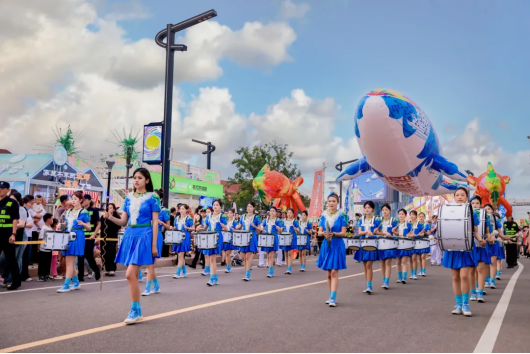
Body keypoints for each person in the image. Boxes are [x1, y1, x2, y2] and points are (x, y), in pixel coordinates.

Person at [110, 168, 160, 324]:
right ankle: (137, 310)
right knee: (131, 274)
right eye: (134, 178)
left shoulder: (153, 198)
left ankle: (135, 310)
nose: (136, 180)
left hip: (144, 235)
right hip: (130, 235)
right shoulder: (129, 197)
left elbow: (155, 223)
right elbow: (123, 221)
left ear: (147, 180)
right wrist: (110, 217)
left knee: (130, 274)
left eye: (139, 177)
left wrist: (153, 244)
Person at [441, 187, 484, 317]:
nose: (460, 197)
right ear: (454, 197)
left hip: (466, 247)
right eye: (457, 195)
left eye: (463, 195)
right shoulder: (449, 211)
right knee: (455, 277)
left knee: (464, 275)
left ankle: (466, 304)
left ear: (467, 197)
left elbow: (475, 230)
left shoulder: (472, 212)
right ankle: (458, 304)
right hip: (453, 247)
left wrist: (480, 239)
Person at [316, 193, 347, 307]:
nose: (331, 203)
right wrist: (324, 233)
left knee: (334, 272)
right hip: (326, 245)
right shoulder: (323, 216)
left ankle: (333, 297)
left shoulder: (342, 215)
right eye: (329, 201)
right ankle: (330, 295)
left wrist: (334, 233)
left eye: (333, 201)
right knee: (329, 273)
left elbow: (344, 233)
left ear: (337, 202)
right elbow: (319, 232)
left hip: (337, 245)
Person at [57, 191, 91, 293]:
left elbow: (89, 228)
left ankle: (67, 284)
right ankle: (75, 282)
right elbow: (65, 224)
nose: (73, 200)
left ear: (81, 200)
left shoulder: (84, 212)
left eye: (75, 199)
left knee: (69, 260)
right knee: (69, 260)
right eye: (72, 198)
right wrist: (60, 226)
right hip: (67, 235)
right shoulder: (68, 211)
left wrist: (83, 224)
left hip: (77, 235)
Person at [139, 189, 168, 296]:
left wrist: (160, 222)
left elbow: (169, 226)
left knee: (151, 263)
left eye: (155, 197)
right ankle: (156, 286)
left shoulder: (164, 211)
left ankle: (147, 288)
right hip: (147, 234)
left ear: (160, 199)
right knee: (149, 264)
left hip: (157, 235)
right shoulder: (147, 208)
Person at [199, 199, 227, 287]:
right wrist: (200, 228)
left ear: (220, 207)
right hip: (209, 236)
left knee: (212, 258)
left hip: (217, 236)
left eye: (217, 205)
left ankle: (212, 278)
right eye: (214, 205)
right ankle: (215, 277)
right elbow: (205, 227)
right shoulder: (209, 216)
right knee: (211, 258)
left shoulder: (223, 216)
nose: (215, 206)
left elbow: (226, 228)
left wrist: (224, 226)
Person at [469, 196, 492, 303]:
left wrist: (489, 238)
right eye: (472, 203)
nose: (475, 205)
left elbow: (487, 232)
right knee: (472, 270)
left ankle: (480, 293)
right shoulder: (467, 214)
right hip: (470, 245)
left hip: (481, 245)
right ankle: (473, 292)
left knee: (481, 269)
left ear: (481, 204)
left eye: (477, 203)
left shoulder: (485, 216)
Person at [356, 201, 381, 294]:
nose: (367, 209)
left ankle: (369, 286)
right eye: (365, 207)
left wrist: (375, 232)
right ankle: (367, 285)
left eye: (369, 207)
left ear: (373, 209)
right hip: (363, 244)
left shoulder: (376, 220)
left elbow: (380, 232)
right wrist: (367, 232)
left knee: (368, 265)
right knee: (365, 265)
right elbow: (359, 232)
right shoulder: (360, 220)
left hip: (372, 244)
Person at [0, 182, 21, 291]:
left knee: (11, 259)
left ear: (8, 189)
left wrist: (13, 234)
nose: (0, 190)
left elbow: (15, 219)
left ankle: (16, 282)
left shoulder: (12, 202)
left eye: (3, 188)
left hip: (7, 234)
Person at [78, 195, 101, 282]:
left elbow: (98, 224)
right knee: (80, 255)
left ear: (89, 200)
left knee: (88, 255)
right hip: (81, 235)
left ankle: (96, 270)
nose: (83, 201)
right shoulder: (80, 211)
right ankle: (80, 276)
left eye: (84, 200)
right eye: (82, 200)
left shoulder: (94, 210)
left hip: (90, 236)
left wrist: (94, 234)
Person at [236, 202, 260, 281]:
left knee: (248, 256)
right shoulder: (242, 216)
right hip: (243, 236)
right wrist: (236, 227)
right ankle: (247, 270)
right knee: (243, 256)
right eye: (248, 206)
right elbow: (239, 225)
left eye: (251, 206)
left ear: (253, 208)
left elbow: (260, 229)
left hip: (251, 236)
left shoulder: (256, 217)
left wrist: (255, 226)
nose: (249, 208)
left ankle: (247, 274)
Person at [377, 204, 398, 290]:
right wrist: (383, 233)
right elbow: (376, 232)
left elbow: (398, 233)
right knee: (382, 262)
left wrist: (393, 232)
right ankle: (383, 280)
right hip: (381, 243)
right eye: (383, 210)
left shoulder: (393, 221)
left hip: (390, 243)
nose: (384, 211)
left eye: (386, 210)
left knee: (388, 262)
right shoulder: (379, 221)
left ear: (390, 211)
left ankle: (386, 282)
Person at [484, 205, 505, 288]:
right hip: (485, 243)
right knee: (486, 263)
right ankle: (487, 279)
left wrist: (505, 237)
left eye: (489, 209)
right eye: (485, 209)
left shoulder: (496, 221)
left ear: (492, 211)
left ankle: (492, 281)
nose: (487, 211)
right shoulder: (481, 220)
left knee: (492, 262)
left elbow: (500, 233)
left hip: (494, 243)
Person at [260, 207, 283, 278]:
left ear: (276, 213)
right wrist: (261, 228)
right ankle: (271, 269)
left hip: (273, 237)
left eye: (273, 211)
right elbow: (261, 227)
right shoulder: (266, 220)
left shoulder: (278, 220)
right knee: (268, 255)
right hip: (267, 237)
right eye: (271, 211)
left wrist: (279, 228)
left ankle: (270, 271)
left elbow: (281, 230)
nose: (272, 212)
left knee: (271, 255)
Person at [173, 204, 194, 279]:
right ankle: (184, 272)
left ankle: (178, 273)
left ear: (186, 210)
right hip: (177, 236)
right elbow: (175, 227)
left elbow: (193, 228)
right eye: (180, 209)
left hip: (185, 236)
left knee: (181, 255)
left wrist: (188, 227)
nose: (181, 210)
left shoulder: (189, 218)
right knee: (179, 255)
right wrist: (171, 228)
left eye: (183, 209)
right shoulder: (177, 218)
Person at [101, 203, 122, 276]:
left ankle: (112, 268)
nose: (110, 209)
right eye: (108, 208)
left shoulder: (117, 217)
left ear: (114, 209)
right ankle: (106, 268)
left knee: (111, 252)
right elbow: (102, 227)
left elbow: (118, 227)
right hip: (104, 237)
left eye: (111, 208)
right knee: (104, 252)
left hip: (112, 237)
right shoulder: (103, 217)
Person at [393, 209, 412, 284]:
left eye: (402, 214)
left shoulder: (408, 224)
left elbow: (412, 233)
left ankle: (404, 277)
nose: (401, 216)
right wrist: (394, 231)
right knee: (398, 262)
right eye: (399, 214)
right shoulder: (396, 224)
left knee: (404, 261)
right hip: (397, 244)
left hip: (405, 244)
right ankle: (399, 277)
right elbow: (395, 234)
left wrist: (409, 235)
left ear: (405, 215)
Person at [281, 208, 299, 275]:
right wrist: (279, 228)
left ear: (293, 214)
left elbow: (298, 230)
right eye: (288, 213)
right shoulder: (284, 221)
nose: (289, 214)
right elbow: (282, 229)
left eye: (290, 213)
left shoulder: (295, 221)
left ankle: (289, 268)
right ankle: (287, 266)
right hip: (285, 237)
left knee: (290, 253)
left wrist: (296, 229)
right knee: (286, 253)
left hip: (292, 237)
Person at [37, 213, 54, 282]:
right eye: (52, 218)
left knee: (48, 262)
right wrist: (38, 247)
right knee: (42, 263)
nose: (52, 220)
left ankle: (46, 275)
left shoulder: (50, 228)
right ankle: (41, 275)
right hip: (43, 249)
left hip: (49, 249)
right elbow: (40, 238)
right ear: (48, 219)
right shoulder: (43, 228)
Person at [408, 210, 424, 280]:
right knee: (410, 259)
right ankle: (411, 273)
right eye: (410, 215)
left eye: (413, 215)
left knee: (414, 258)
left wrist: (417, 235)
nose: (411, 216)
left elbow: (423, 233)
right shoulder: (408, 224)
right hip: (408, 243)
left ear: (416, 216)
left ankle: (415, 273)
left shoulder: (419, 224)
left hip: (416, 242)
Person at [418, 212, 431, 277]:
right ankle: (420, 270)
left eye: (422, 216)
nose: (421, 218)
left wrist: (425, 232)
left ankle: (424, 271)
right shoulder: (417, 224)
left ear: (424, 217)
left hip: (424, 241)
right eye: (420, 216)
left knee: (423, 256)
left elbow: (428, 233)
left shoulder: (427, 224)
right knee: (419, 257)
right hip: (418, 242)